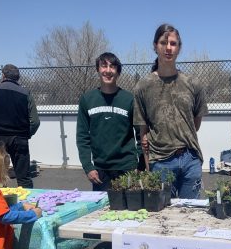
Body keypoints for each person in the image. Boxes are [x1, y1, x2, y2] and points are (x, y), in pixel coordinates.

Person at [134, 24, 208, 199]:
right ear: (155, 45)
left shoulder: (193, 84)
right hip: (160, 163)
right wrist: (148, 166)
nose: (168, 48)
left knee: (190, 216)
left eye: (173, 44)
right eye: (163, 42)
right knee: (162, 218)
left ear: (179, 48)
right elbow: (143, 133)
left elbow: (195, 124)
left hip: (190, 160)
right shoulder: (143, 87)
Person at [76, 52, 143, 191]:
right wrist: (88, 166)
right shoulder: (87, 99)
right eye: (103, 66)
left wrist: (140, 166)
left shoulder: (129, 99)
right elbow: (82, 136)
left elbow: (141, 134)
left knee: (130, 212)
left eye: (112, 67)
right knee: (102, 212)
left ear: (118, 72)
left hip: (127, 168)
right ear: (98, 70)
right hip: (100, 171)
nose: (108, 70)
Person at [0, 65, 40, 188]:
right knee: (24, 177)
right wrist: (27, 134)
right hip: (19, 138)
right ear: (18, 78)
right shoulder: (25, 93)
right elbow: (35, 122)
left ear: (3, 76)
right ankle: (26, 203)